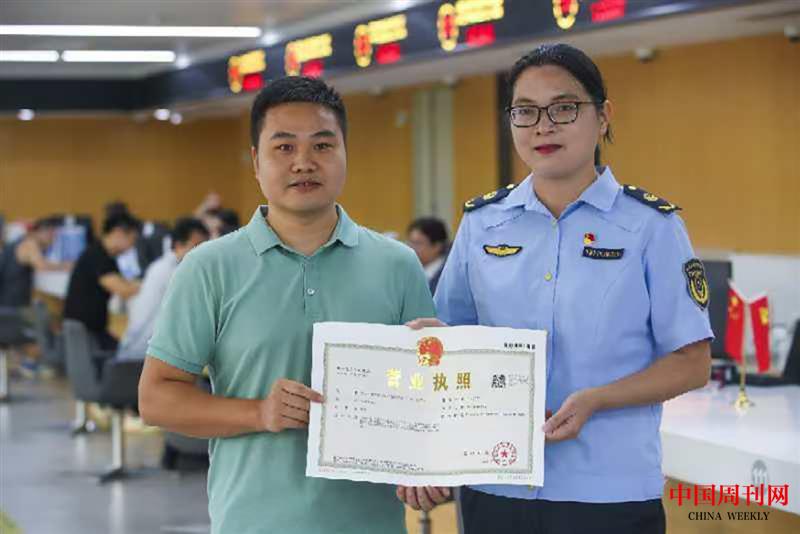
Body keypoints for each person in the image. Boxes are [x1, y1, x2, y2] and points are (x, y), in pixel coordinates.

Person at [400, 43, 712, 533]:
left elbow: (692, 362)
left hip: (607, 489)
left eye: (564, 108)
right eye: (525, 111)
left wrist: (597, 399)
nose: (542, 126)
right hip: (494, 479)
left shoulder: (652, 226)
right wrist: (432, 346)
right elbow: (454, 341)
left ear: (603, 117)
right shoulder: (482, 223)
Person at [138, 76, 436, 534]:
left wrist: (433, 460)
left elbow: (426, 398)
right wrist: (259, 412)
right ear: (256, 162)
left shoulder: (397, 265)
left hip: (370, 523)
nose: (304, 162)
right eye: (284, 147)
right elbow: (156, 398)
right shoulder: (209, 267)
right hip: (251, 523)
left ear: (345, 155)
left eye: (322, 145)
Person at [115, 217, 209, 361]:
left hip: (137, 351)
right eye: (198, 246)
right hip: (141, 357)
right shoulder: (176, 272)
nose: (204, 253)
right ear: (178, 245)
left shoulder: (160, 265)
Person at [63, 211, 141, 351]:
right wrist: (151, 282)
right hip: (87, 336)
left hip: (90, 332)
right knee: (130, 352)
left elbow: (124, 283)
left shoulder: (105, 256)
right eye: (132, 239)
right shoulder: (98, 256)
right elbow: (123, 290)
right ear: (118, 233)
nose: (132, 246)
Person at [0, 216, 68, 308]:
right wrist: (67, 266)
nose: (53, 238)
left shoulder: (20, 241)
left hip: (9, 302)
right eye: (50, 234)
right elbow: (42, 266)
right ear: (38, 232)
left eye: (54, 235)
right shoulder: (29, 244)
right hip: (11, 305)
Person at [407, 217, 449, 294]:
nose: (411, 248)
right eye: (410, 242)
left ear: (437, 246)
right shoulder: (408, 270)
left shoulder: (447, 276)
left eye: (418, 243)